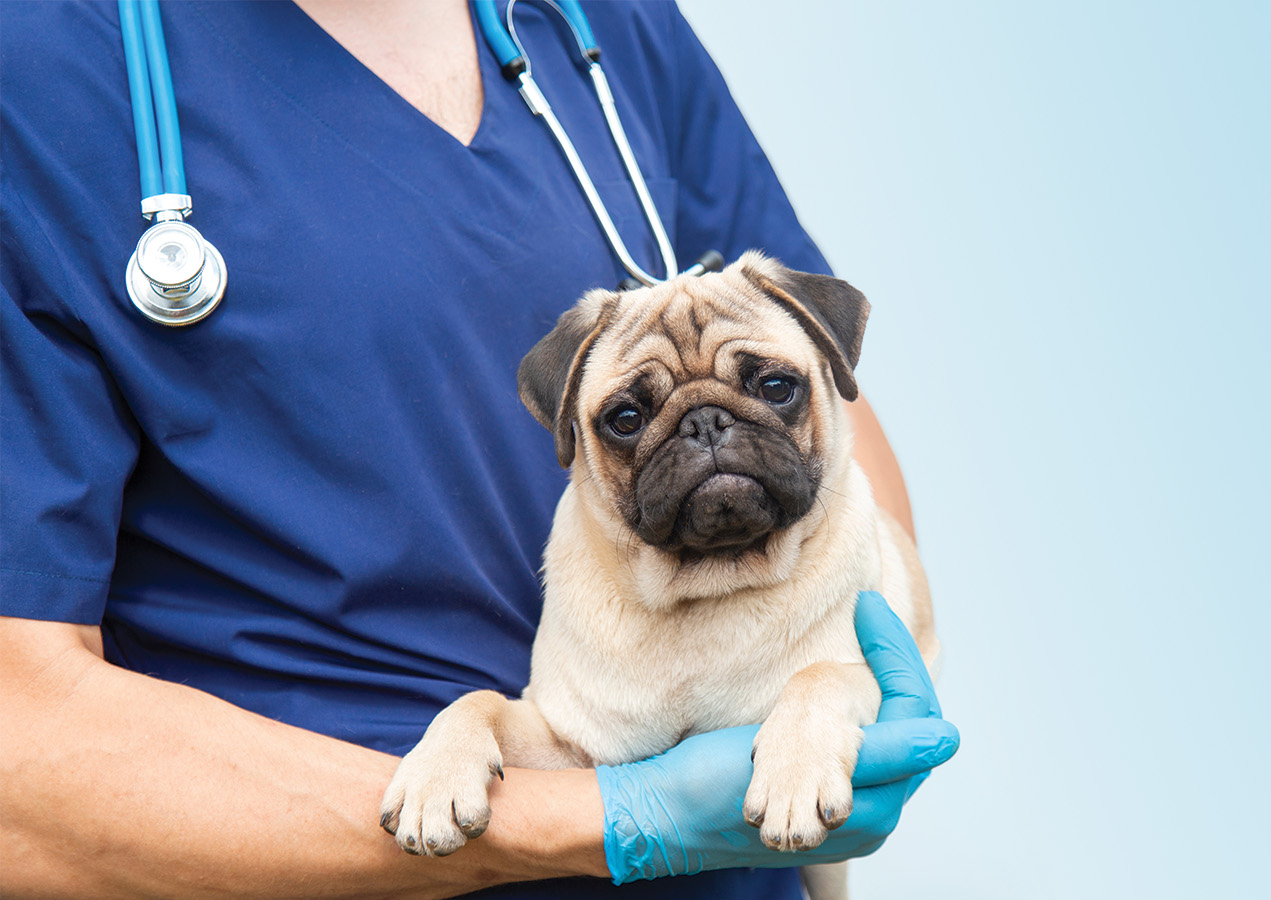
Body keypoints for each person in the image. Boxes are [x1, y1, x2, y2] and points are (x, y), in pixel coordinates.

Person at [0, 2, 958, 897]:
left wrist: (846, 676)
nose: (708, 430)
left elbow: (827, 391)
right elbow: (19, 768)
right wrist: (600, 818)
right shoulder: (42, 73)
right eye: (634, 417)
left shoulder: (606, 22)